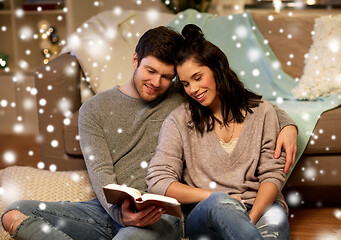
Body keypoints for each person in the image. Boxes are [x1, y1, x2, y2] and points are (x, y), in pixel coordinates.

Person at [2, 25, 295, 240]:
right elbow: (101, 173)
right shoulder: (94, 109)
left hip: (161, 215)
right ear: (135, 61)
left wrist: (287, 124)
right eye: (150, 71)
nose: (157, 82)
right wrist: (122, 215)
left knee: (128, 239)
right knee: (15, 211)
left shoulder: (182, 94)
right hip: (111, 210)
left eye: (167, 77)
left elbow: (235, 97)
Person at [146, 24, 292, 240]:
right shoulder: (179, 120)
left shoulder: (263, 112)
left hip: (260, 207)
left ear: (217, 69)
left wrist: (248, 221)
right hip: (206, 210)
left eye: (198, 77)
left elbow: (273, 174)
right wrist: (214, 196)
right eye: (185, 84)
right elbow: (158, 181)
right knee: (221, 204)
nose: (193, 89)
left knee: (274, 226)